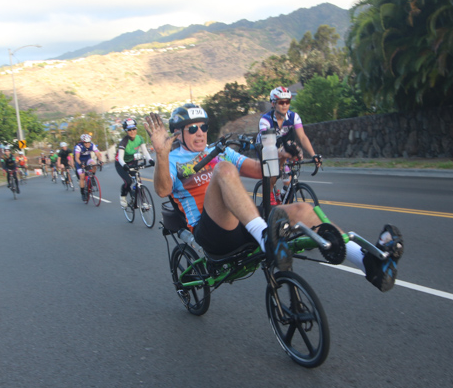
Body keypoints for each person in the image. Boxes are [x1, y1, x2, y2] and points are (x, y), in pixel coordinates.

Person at [145, 104, 404, 292]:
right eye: (193, 129)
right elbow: (162, 190)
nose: (200, 133)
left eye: (204, 127)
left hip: (243, 221)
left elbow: (260, 172)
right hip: (211, 230)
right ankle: (267, 236)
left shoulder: (217, 151)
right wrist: (161, 154)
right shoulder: (173, 158)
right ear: (178, 134)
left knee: (303, 209)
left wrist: (279, 156)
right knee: (224, 169)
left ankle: (370, 264)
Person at [259, 86, 322, 204]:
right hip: (266, 146)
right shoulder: (265, 120)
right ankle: (268, 197)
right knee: (273, 170)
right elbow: (268, 145)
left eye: (287, 102)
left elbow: (302, 137)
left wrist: (314, 155)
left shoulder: (294, 117)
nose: (285, 105)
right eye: (281, 102)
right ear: (273, 104)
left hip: (283, 145)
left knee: (288, 182)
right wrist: (281, 157)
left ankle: (283, 197)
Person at [116, 118, 153, 208]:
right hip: (121, 163)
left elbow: (145, 152)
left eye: (134, 129)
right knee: (128, 181)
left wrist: (150, 160)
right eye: (129, 130)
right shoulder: (124, 142)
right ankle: (123, 196)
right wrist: (124, 165)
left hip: (132, 162)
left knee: (138, 180)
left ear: (136, 129)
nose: (132, 131)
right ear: (126, 131)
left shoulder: (139, 138)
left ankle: (143, 202)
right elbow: (120, 157)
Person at [74, 134, 103, 201]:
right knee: (82, 176)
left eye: (88, 142)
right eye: (85, 143)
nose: (87, 144)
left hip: (87, 159)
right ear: (83, 142)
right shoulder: (79, 147)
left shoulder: (92, 145)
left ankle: (92, 177)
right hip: (80, 161)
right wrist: (80, 164)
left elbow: (97, 154)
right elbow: (77, 158)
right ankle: (83, 193)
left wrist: (100, 161)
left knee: (94, 164)